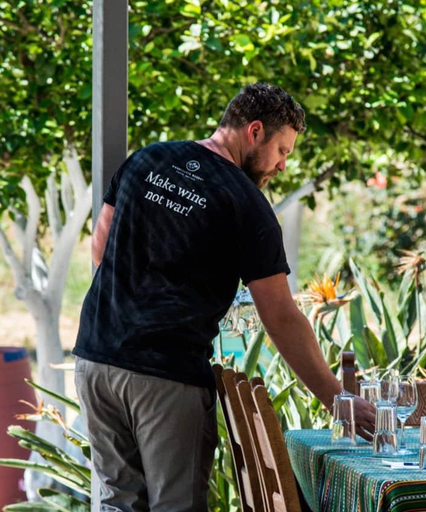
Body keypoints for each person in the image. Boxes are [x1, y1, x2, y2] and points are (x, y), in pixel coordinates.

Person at [72, 83, 376, 512]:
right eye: (283, 151)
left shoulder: (146, 160)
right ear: (254, 132)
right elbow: (281, 316)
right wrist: (336, 397)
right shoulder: (246, 204)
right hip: (166, 377)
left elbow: (101, 248)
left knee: (117, 504)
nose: (283, 166)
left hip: (96, 361)